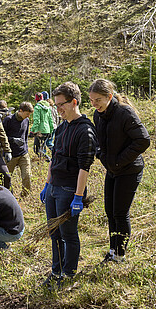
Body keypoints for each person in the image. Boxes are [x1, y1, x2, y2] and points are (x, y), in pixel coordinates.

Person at [40, 82, 98, 288]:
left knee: (68, 234)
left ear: (74, 102)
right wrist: (47, 185)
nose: (58, 110)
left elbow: (85, 167)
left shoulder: (86, 130)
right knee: (54, 232)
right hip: (54, 187)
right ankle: (56, 271)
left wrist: (78, 196)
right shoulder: (61, 127)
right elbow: (54, 157)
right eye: (56, 105)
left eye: (61, 105)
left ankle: (69, 274)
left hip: (69, 190)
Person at [89, 79, 150, 263]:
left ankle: (120, 255)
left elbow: (143, 140)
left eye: (98, 100)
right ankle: (112, 250)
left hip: (130, 169)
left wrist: (119, 161)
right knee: (110, 211)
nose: (94, 104)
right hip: (112, 169)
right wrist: (102, 156)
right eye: (91, 100)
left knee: (120, 213)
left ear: (109, 96)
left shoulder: (125, 113)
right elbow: (99, 141)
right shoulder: (98, 115)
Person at [2, 101, 33, 197]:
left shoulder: (26, 121)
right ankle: (7, 196)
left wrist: (26, 148)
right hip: (10, 154)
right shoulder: (8, 120)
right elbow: (1, 136)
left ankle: (25, 196)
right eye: (27, 114)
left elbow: (25, 136)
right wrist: (13, 140)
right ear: (21, 111)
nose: (28, 116)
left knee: (27, 176)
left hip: (23, 154)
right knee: (6, 178)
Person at [31, 91, 54, 161]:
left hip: (40, 131)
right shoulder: (48, 107)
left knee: (36, 149)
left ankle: (49, 160)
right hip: (47, 130)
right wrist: (51, 131)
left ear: (36, 99)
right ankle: (42, 162)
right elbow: (51, 120)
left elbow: (37, 121)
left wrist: (32, 131)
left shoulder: (37, 107)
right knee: (42, 148)